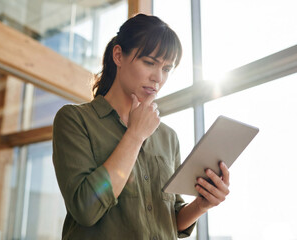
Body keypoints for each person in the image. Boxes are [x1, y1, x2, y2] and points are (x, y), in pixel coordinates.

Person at [52, 13, 230, 240]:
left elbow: (168, 218)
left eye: (167, 69)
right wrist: (135, 135)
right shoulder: (75, 120)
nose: (158, 78)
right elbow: (86, 210)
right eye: (149, 63)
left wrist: (201, 205)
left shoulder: (168, 136)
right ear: (118, 55)